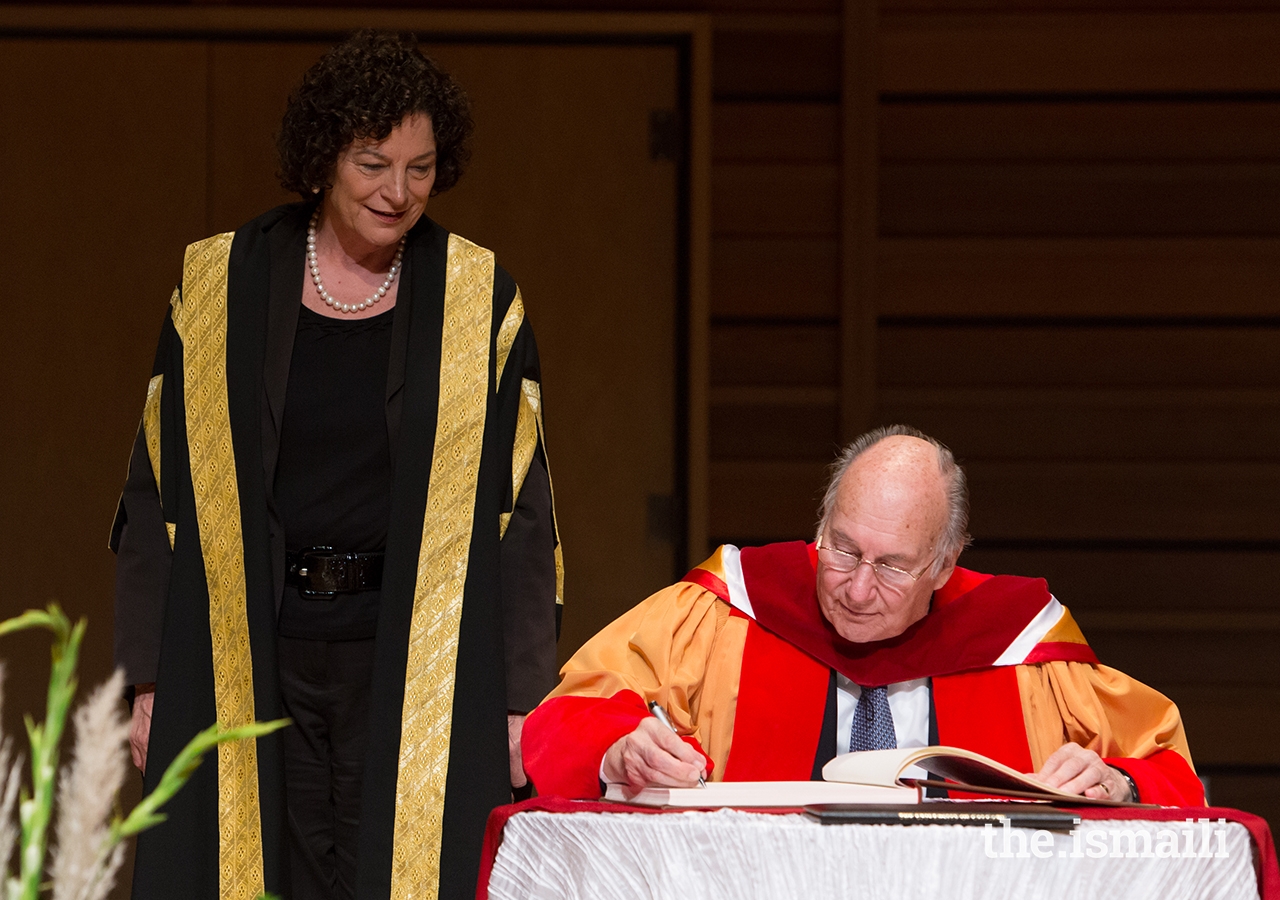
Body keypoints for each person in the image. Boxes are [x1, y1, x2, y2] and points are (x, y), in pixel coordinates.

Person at [109, 30, 562, 900]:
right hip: (248, 647)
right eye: (373, 163)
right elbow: (155, 487)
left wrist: (520, 700)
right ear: (322, 158)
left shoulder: (476, 298)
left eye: (421, 169)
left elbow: (523, 510)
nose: (398, 192)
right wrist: (150, 678)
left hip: (415, 654)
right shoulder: (221, 284)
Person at [523, 425, 1203, 807]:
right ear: (818, 527)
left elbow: (1168, 768)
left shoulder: (1020, 642)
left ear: (945, 563)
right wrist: (619, 747)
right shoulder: (725, 610)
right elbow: (564, 717)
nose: (855, 590)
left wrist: (1120, 779)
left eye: (893, 566)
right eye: (842, 550)